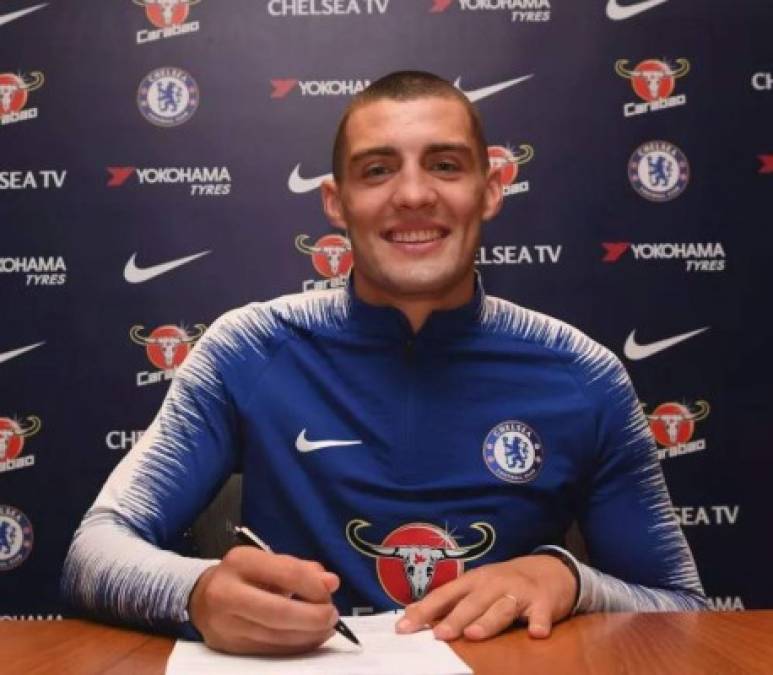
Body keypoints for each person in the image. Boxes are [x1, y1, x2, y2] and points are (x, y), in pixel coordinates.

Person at [62, 71, 706, 655]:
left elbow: (682, 608)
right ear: (335, 202)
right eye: (376, 171)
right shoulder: (249, 347)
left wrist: (566, 577)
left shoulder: (584, 374)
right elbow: (94, 550)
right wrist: (197, 592)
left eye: (446, 165)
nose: (413, 194)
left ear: (491, 189)